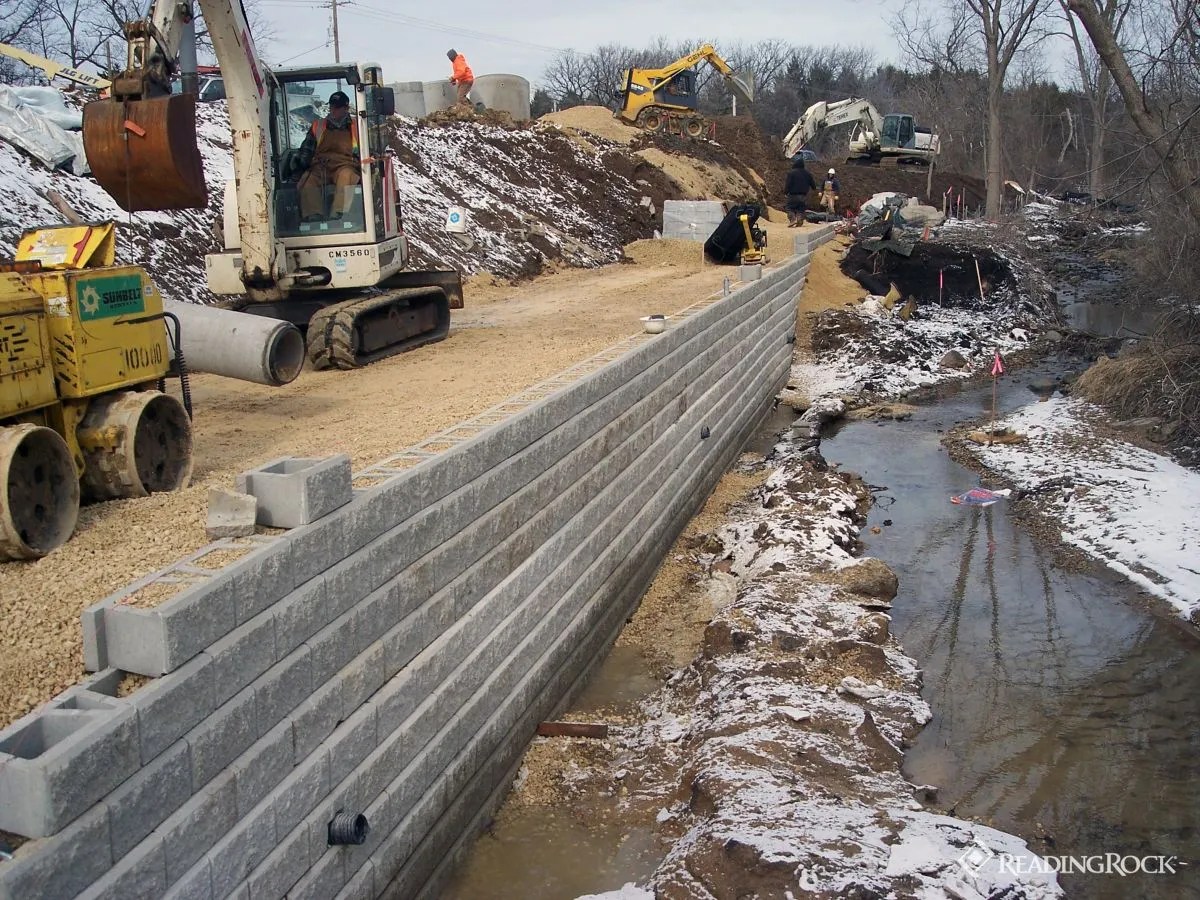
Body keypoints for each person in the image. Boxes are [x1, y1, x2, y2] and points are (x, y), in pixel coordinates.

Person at [292, 91, 361, 222]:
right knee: (308, 181)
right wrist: (300, 168)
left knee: (346, 177)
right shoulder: (318, 126)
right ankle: (313, 216)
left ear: (345, 108)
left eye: (337, 107)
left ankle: (340, 215)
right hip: (321, 166)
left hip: (345, 165)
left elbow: (366, 149)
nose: (332, 110)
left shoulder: (357, 126)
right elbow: (307, 150)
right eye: (331, 107)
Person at [784, 157, 817, 227]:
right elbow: (814, 186)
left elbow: (788, 184)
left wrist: (785, 192)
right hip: (803, 196)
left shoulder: (791, 173)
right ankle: (799, 219)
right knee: (801, 209)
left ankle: (793, 219)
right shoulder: (808, 174)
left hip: (793, 195)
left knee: (789, 208)